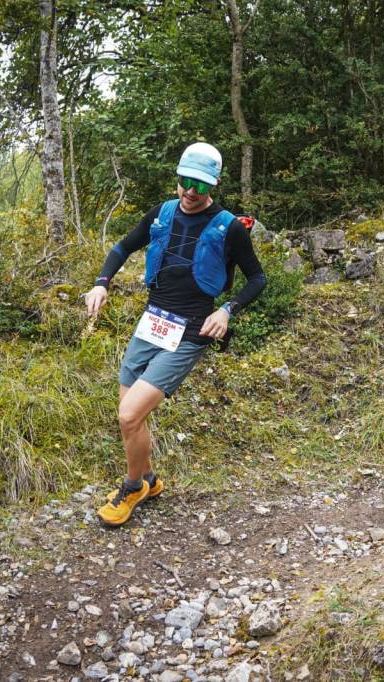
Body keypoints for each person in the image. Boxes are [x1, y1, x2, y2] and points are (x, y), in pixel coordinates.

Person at [84, 142, 267, 526]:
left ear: (213, 185)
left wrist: (226, 310)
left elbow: (257, 278)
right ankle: (149, 480)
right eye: (185, 181)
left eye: (200, 185)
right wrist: (102, 283)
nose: (191, 191)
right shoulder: (162, 213)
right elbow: (122, 247)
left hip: (191, 333)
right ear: (178, 178)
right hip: (152, 324)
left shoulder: (230, 227)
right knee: (131, 416)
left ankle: (132, 488)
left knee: (129, 414)